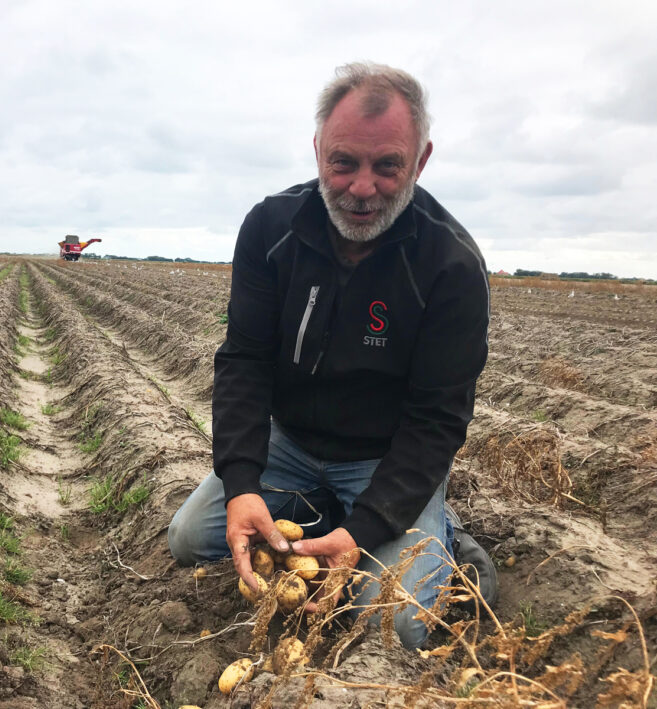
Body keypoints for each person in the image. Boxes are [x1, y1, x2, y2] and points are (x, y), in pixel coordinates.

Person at [168, 62, 496, 649]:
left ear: (420, 161)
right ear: (318, 151)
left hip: (384, 458)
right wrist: (243, 481)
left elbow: (437, 419)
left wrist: (366, 529)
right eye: (343, 162)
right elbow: (244, 360)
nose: (361, 188)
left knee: (397, 625)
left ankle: (445, 540)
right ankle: (327, 512)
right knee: (190, 539)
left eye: (387, 166)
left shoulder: (450, 266)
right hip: (289, 448)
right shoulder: (271, 228)